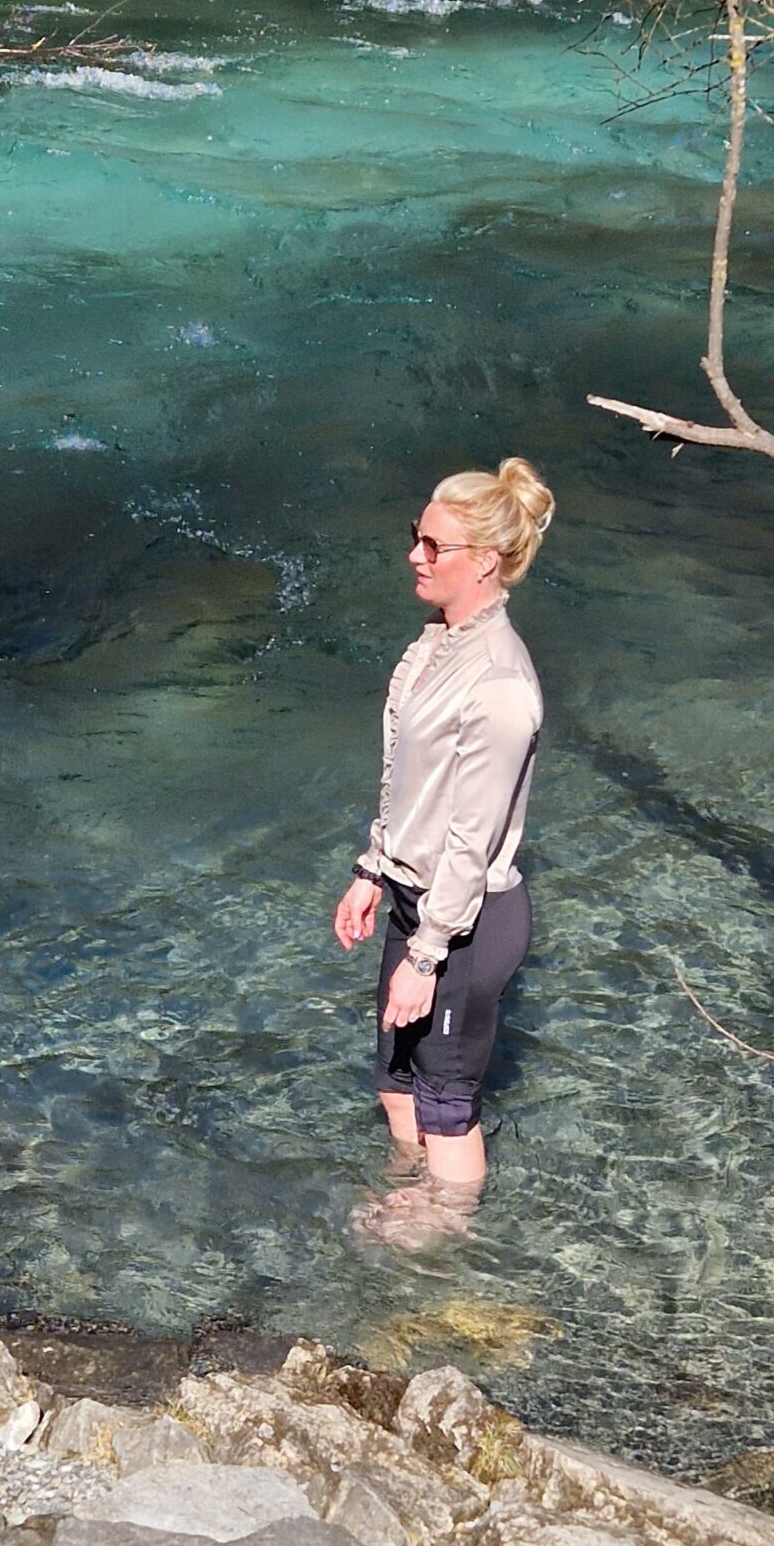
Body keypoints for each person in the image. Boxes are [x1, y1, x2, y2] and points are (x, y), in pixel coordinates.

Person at [334, 456, 554, 1243]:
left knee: (445, 1096)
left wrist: (427, 956)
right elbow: (409, 778)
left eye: (434, 546)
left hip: (466, 919)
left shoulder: (499, 684)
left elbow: (472, 837)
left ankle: (449, 1248)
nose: (414, 556)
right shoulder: (438, 645)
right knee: (395, 1079)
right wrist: (374, 867)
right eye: (415, 537)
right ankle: (411, 1192)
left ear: (485, 562)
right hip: (414, 897)